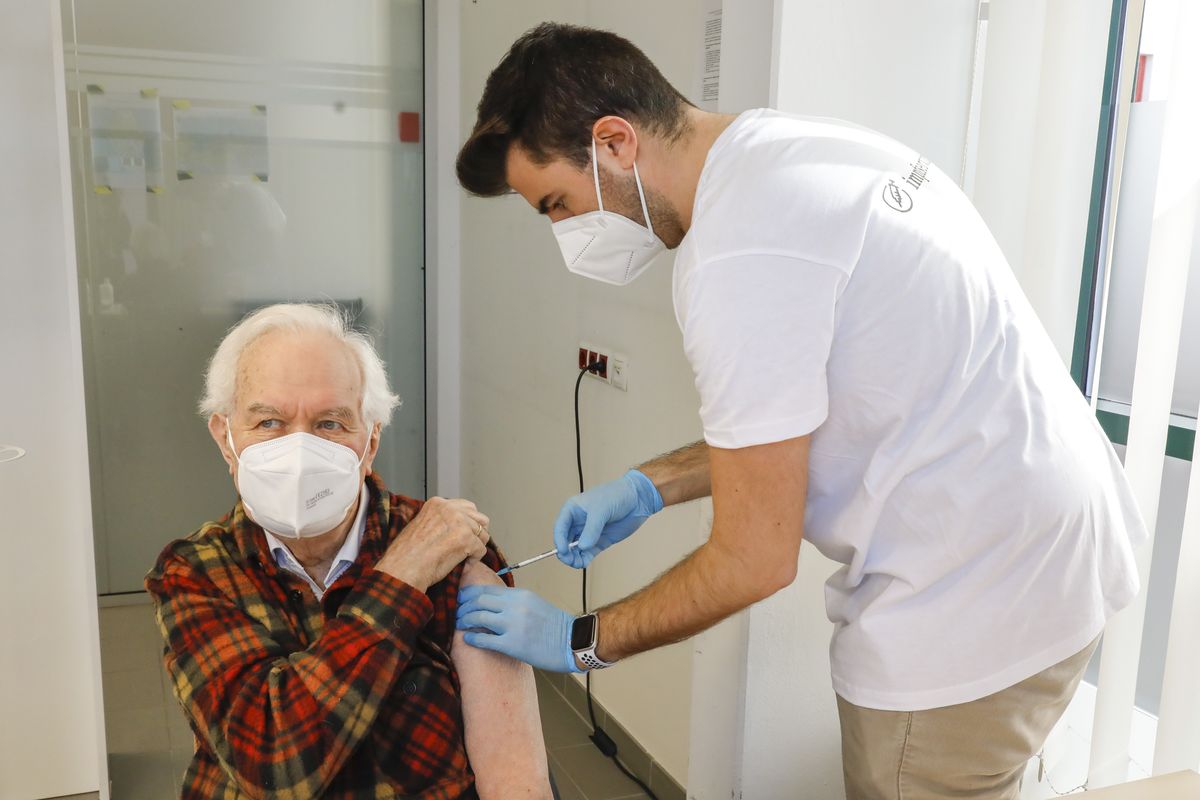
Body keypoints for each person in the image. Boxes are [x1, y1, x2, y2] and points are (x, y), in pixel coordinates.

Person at [452, 22, 1147, 799]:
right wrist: (650, 484)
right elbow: (808, 419)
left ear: (614, 142)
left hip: (972, 603)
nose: (563, 233)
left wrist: (581, 640)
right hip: (1061, 547)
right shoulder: (793, 150)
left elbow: (753, 560)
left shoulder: (736, 258)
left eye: (557, 204)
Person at [146, 303, 553, 799]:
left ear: (371, 441)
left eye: (330, 424)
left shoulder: (451, 547)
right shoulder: (195, 571)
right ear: (226, 439)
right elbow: (273, 768)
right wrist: (402, 575)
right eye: (269, 422)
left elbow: (514, 781)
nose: (298, 452)